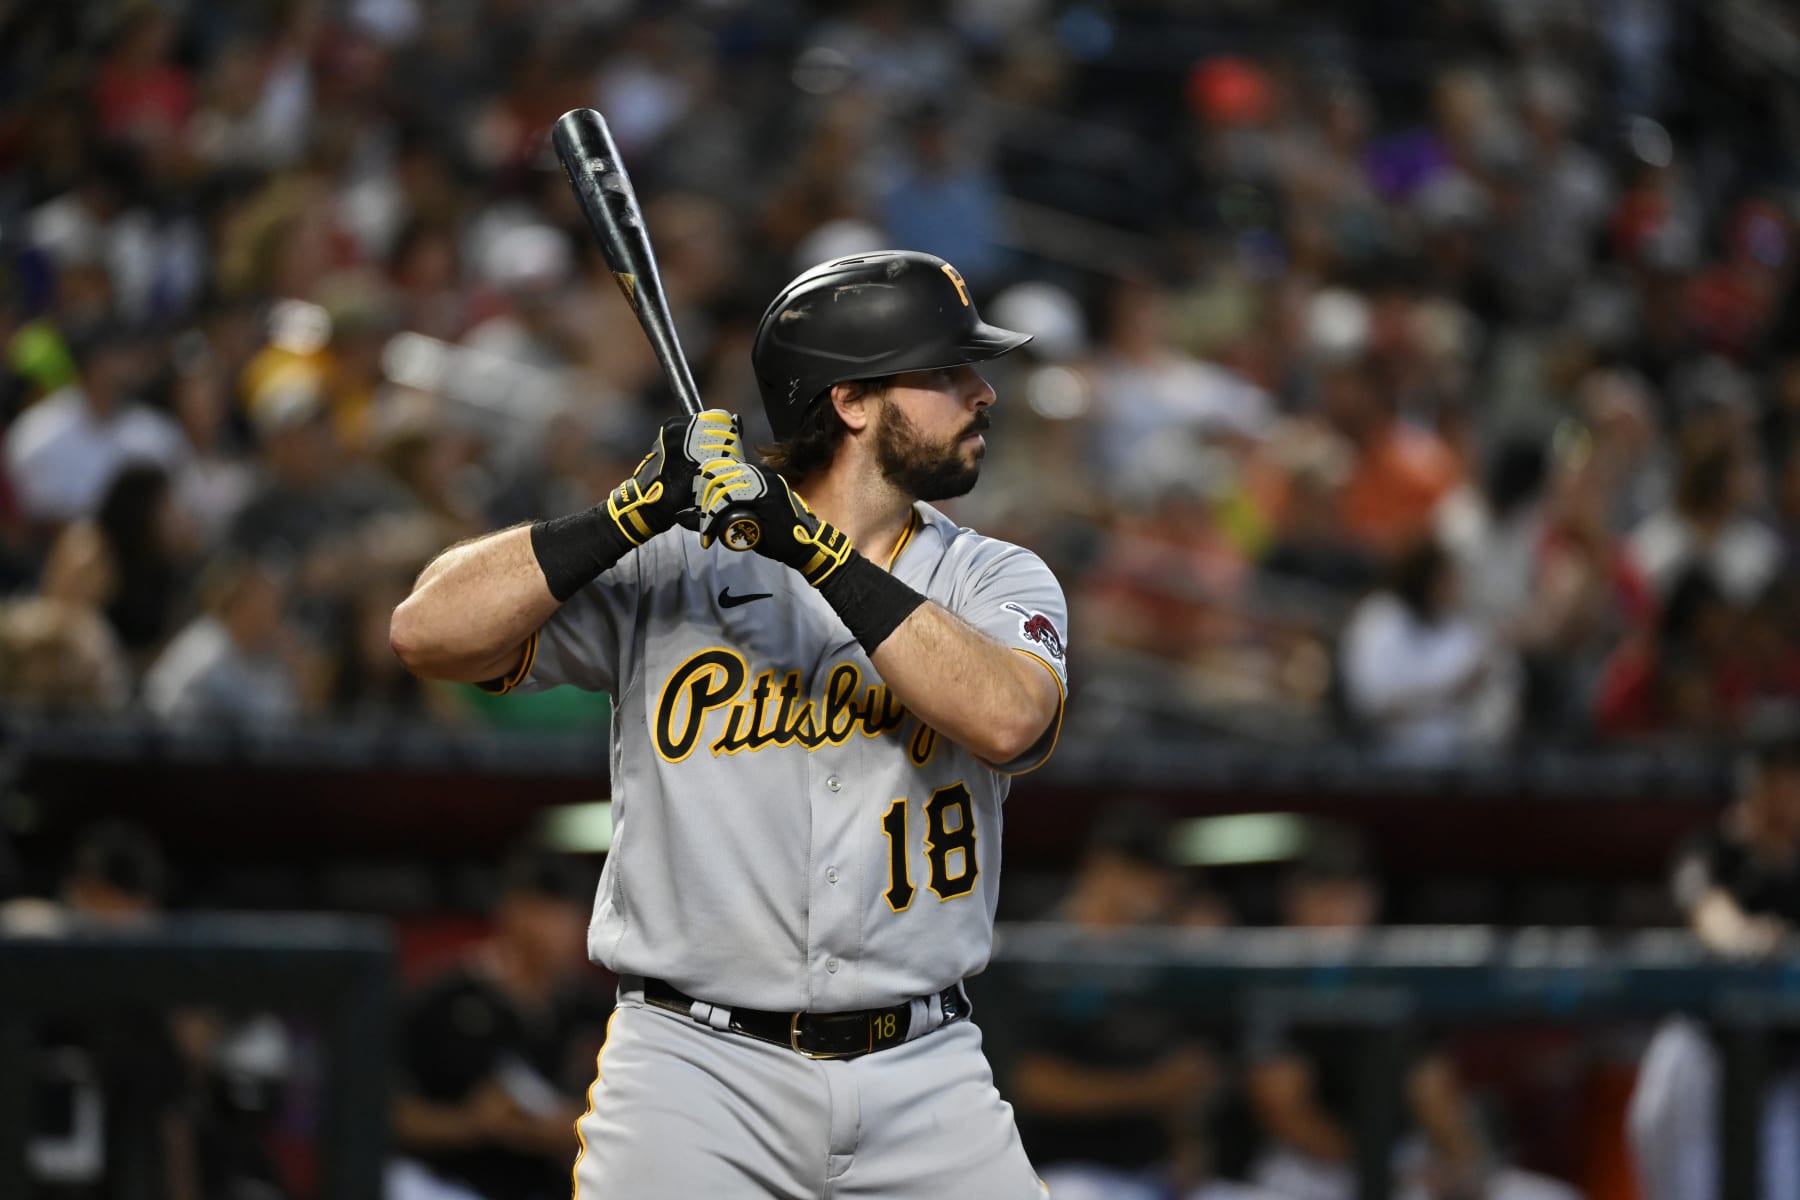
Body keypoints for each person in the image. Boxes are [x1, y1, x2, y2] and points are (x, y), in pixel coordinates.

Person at [391, 249, 1067, 1197]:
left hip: (926, 1070)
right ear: (854, 401)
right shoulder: (675, 563)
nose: (982, 392)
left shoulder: (993, 576)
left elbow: (1010, 722)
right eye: (948, 371)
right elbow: (426, 634)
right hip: (693, 1074)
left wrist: (811, 548)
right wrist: (622, 517)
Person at [1627, 723, 1800, 1200]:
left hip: (1783, 1072)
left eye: (1793, 782)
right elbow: (1707, 909)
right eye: (1774, 781)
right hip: (1704, 1056)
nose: (1784, 799)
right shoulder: (1713, 849)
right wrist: (1745, 938)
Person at [391, 847, 612, 1200]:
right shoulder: (438, 1000)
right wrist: (469, 1122)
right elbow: (384, 1113)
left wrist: (570, 1127)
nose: (563, 931)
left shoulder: (598, 1009)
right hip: (451, 1185)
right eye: (548, 913)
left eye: (571, 916)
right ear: (512, 912)